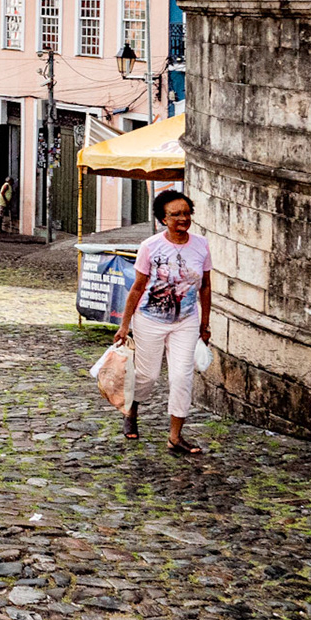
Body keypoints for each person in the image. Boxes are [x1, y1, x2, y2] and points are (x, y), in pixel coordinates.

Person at [113, 189, 211, 454]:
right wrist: (124, 325)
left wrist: (204, 324)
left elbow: (205, 286)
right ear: (163, 219)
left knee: (181, 377)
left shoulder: (201, 245)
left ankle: (175, 437)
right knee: (148, 376)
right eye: (175, 214)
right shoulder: (150, 246)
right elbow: (137, 287)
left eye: (186, 213)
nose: (183, 218)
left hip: (185, 321)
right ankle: (132, 410)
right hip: (150, 320)